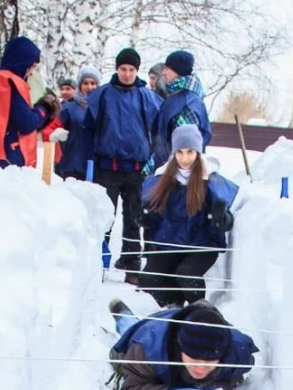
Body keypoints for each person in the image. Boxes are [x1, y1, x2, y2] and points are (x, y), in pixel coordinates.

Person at [85, 47, 160, 284]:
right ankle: (98, 260)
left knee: (133, 218)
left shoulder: (146, 97)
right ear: (117, 69)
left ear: (136, 71)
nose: (127, 74)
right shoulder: (103, 95)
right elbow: (89, 126)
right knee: (105, 216)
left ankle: (132, 263)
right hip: (107, 167)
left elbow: (157, 130)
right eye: (123, 69)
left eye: (131, 69)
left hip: (136, 169)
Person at [141, 124, 235, 306]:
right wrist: (143, 218)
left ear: (198, 153)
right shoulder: (162, 180)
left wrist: (221, 218)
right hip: (171, 241)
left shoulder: (211, 180)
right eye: (180, 152)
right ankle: (174, 306)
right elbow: (155, 218)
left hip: (202, 244)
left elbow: (226, 221)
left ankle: (199, 311)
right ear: (174, 153)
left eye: (190, 152)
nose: (185, 158)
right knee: (150, 278)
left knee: (186, 273)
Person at [108, 299, 258, 390]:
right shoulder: (146, 349)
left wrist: (216, 387)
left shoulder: (238, 351)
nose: (200, 368)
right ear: (181, 348)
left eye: (209, 361)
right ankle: (123, 315)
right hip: (152, 328)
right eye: (193, 358)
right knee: (129, 327)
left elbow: (236, 376)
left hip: (196, 320)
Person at [0, 36, 59, 168]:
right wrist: (44, 108)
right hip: (9, 157)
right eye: (31, 67)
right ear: (23, 63)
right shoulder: (10, 83)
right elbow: (26, 123)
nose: (31, 73)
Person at [145, 49, 211, 175]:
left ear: (178, 71)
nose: (164, 72)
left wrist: (165, 173)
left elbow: (185, 148)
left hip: (177, 175)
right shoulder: (179, 97)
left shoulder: (186, 102)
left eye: (167, 68)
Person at [55, 66, 100, 180]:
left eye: (93, 83)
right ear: (80, 86)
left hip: (98, 165)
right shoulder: (69, 107)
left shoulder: (103, 107)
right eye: (85, 83)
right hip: (73, 163)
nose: (89, 87)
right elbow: (53, 128)